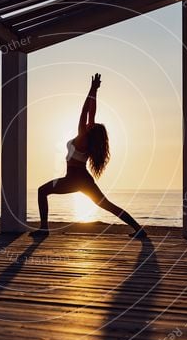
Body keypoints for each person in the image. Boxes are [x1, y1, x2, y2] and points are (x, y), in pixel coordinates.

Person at [34, 73, 147, 237]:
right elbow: (91, 112)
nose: (89, 122)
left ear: (89, 130)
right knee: (107, 205)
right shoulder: (88, 140)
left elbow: (84, 111)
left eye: (90, 124)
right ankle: (139, 229)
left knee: (42, 191)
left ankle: (44, 228)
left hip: (73, 179)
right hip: (83, 179)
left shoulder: (82, 139)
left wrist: (91, 89)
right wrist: (95, 91)